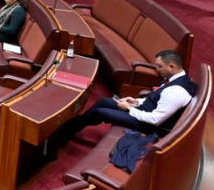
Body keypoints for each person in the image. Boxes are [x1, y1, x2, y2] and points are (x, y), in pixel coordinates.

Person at [57, 50, 195, 141]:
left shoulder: (176, 91)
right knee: (103, 102)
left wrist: (129, 109)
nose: (157, 70)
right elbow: (155, 98)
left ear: (171, 67)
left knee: (101, 112)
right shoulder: (173, 79)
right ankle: (70, 127)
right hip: (142, 111)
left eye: (159, 66)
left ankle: (63, 133)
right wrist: (136, 101)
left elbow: (155, 120)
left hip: (146, 124)